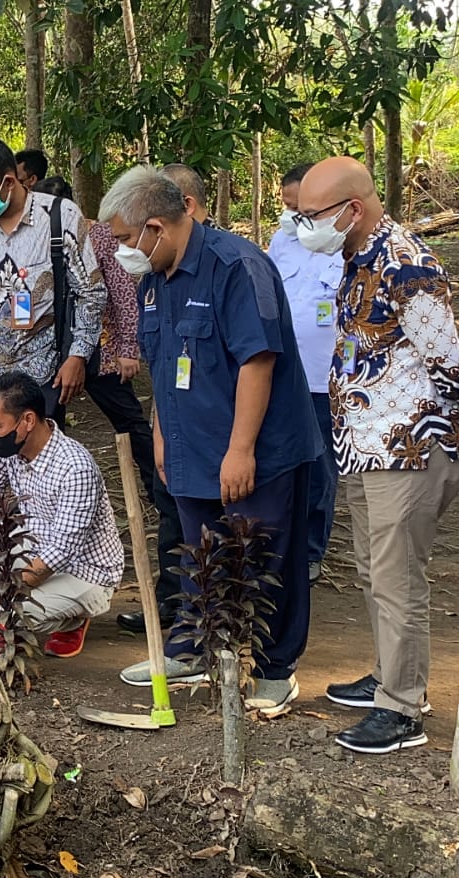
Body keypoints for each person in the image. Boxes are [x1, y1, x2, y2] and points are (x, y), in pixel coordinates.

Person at [101, 165, 321, 717]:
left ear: (156, 225)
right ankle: (197, 648)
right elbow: (161, 365)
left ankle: (274, 668)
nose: (124, 252)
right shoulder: (154, 280)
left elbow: (257, 362)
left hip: (256, 450)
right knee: (199, 553)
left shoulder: (236, 266)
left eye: (127, 240)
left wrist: (241, 448)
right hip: (188, 446)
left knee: (265, 554)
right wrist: (159, 435)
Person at [296, 157, 459, 754]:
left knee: (398, 579)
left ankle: (403, 709)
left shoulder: (408, 266)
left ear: (353, 209)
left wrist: (452, 438)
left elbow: (450, 364)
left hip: (410, 448)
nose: (302, 225)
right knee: (374, 571)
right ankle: (388, 674)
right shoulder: (355, 257)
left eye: (310, 215)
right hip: (364, 446)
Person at [0, 137, 107, 611]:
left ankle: (37, 576)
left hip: (38, 375)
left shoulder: (59, 218)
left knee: (36, 473)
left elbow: (91, 294)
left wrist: (77, 355)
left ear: (10, 182)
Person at [35, 173, 186, 634]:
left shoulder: (97, 235)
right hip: (53, 353)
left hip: (96, 351)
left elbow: (121, 294)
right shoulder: (29, 239)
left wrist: (125, 348)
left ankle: (151, 473)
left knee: (129, 420)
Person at [0, 372, 125, 658]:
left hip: (83, 572)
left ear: (27, 421)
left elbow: (61, 552)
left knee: (12, 612)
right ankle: (3, 612)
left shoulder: (75, 468)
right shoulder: (12, 448)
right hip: (32, 549)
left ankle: (71, 620)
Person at [269, 163, 346, 584]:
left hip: (325, 378)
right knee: (282, 461)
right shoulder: (282, 241)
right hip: (284, 372)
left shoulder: (345, 244)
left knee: (320, 468)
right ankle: (281, 543)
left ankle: (312, 550)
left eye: (300, 209)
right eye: (286, 207)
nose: (293, 217)